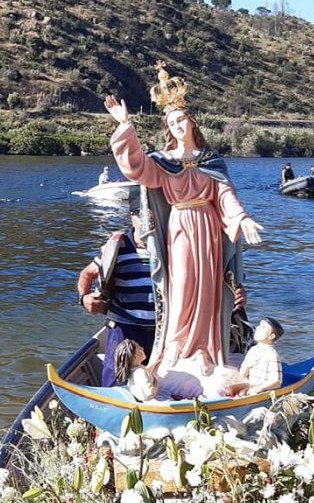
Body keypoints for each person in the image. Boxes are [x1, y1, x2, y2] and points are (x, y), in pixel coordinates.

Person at [103, 61, 264, 381]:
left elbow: (224, 194)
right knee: (182, 288)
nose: (177, 124)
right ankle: (177, 349)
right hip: (179, 229)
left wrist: (241, 218)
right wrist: (125, 126)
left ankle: (205, 350)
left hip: (208, 229)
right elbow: (136, 168)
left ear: (191, 123)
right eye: (171, 121)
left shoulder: (211, 161)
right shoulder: (163, 163)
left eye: (181, 119)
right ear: (168, 128)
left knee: (208, 288)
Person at [77, 204, 249, 387]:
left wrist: (235, 293)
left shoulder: (174, 247)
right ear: (131, 217)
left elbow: (212, 281)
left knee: (162, 382)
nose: (146, 222)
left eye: (151, 216)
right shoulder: (117, 247)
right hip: (125, 327)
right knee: (116, 381)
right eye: (141, 215)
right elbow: (87, 274)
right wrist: (84, 298)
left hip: (167, 331)